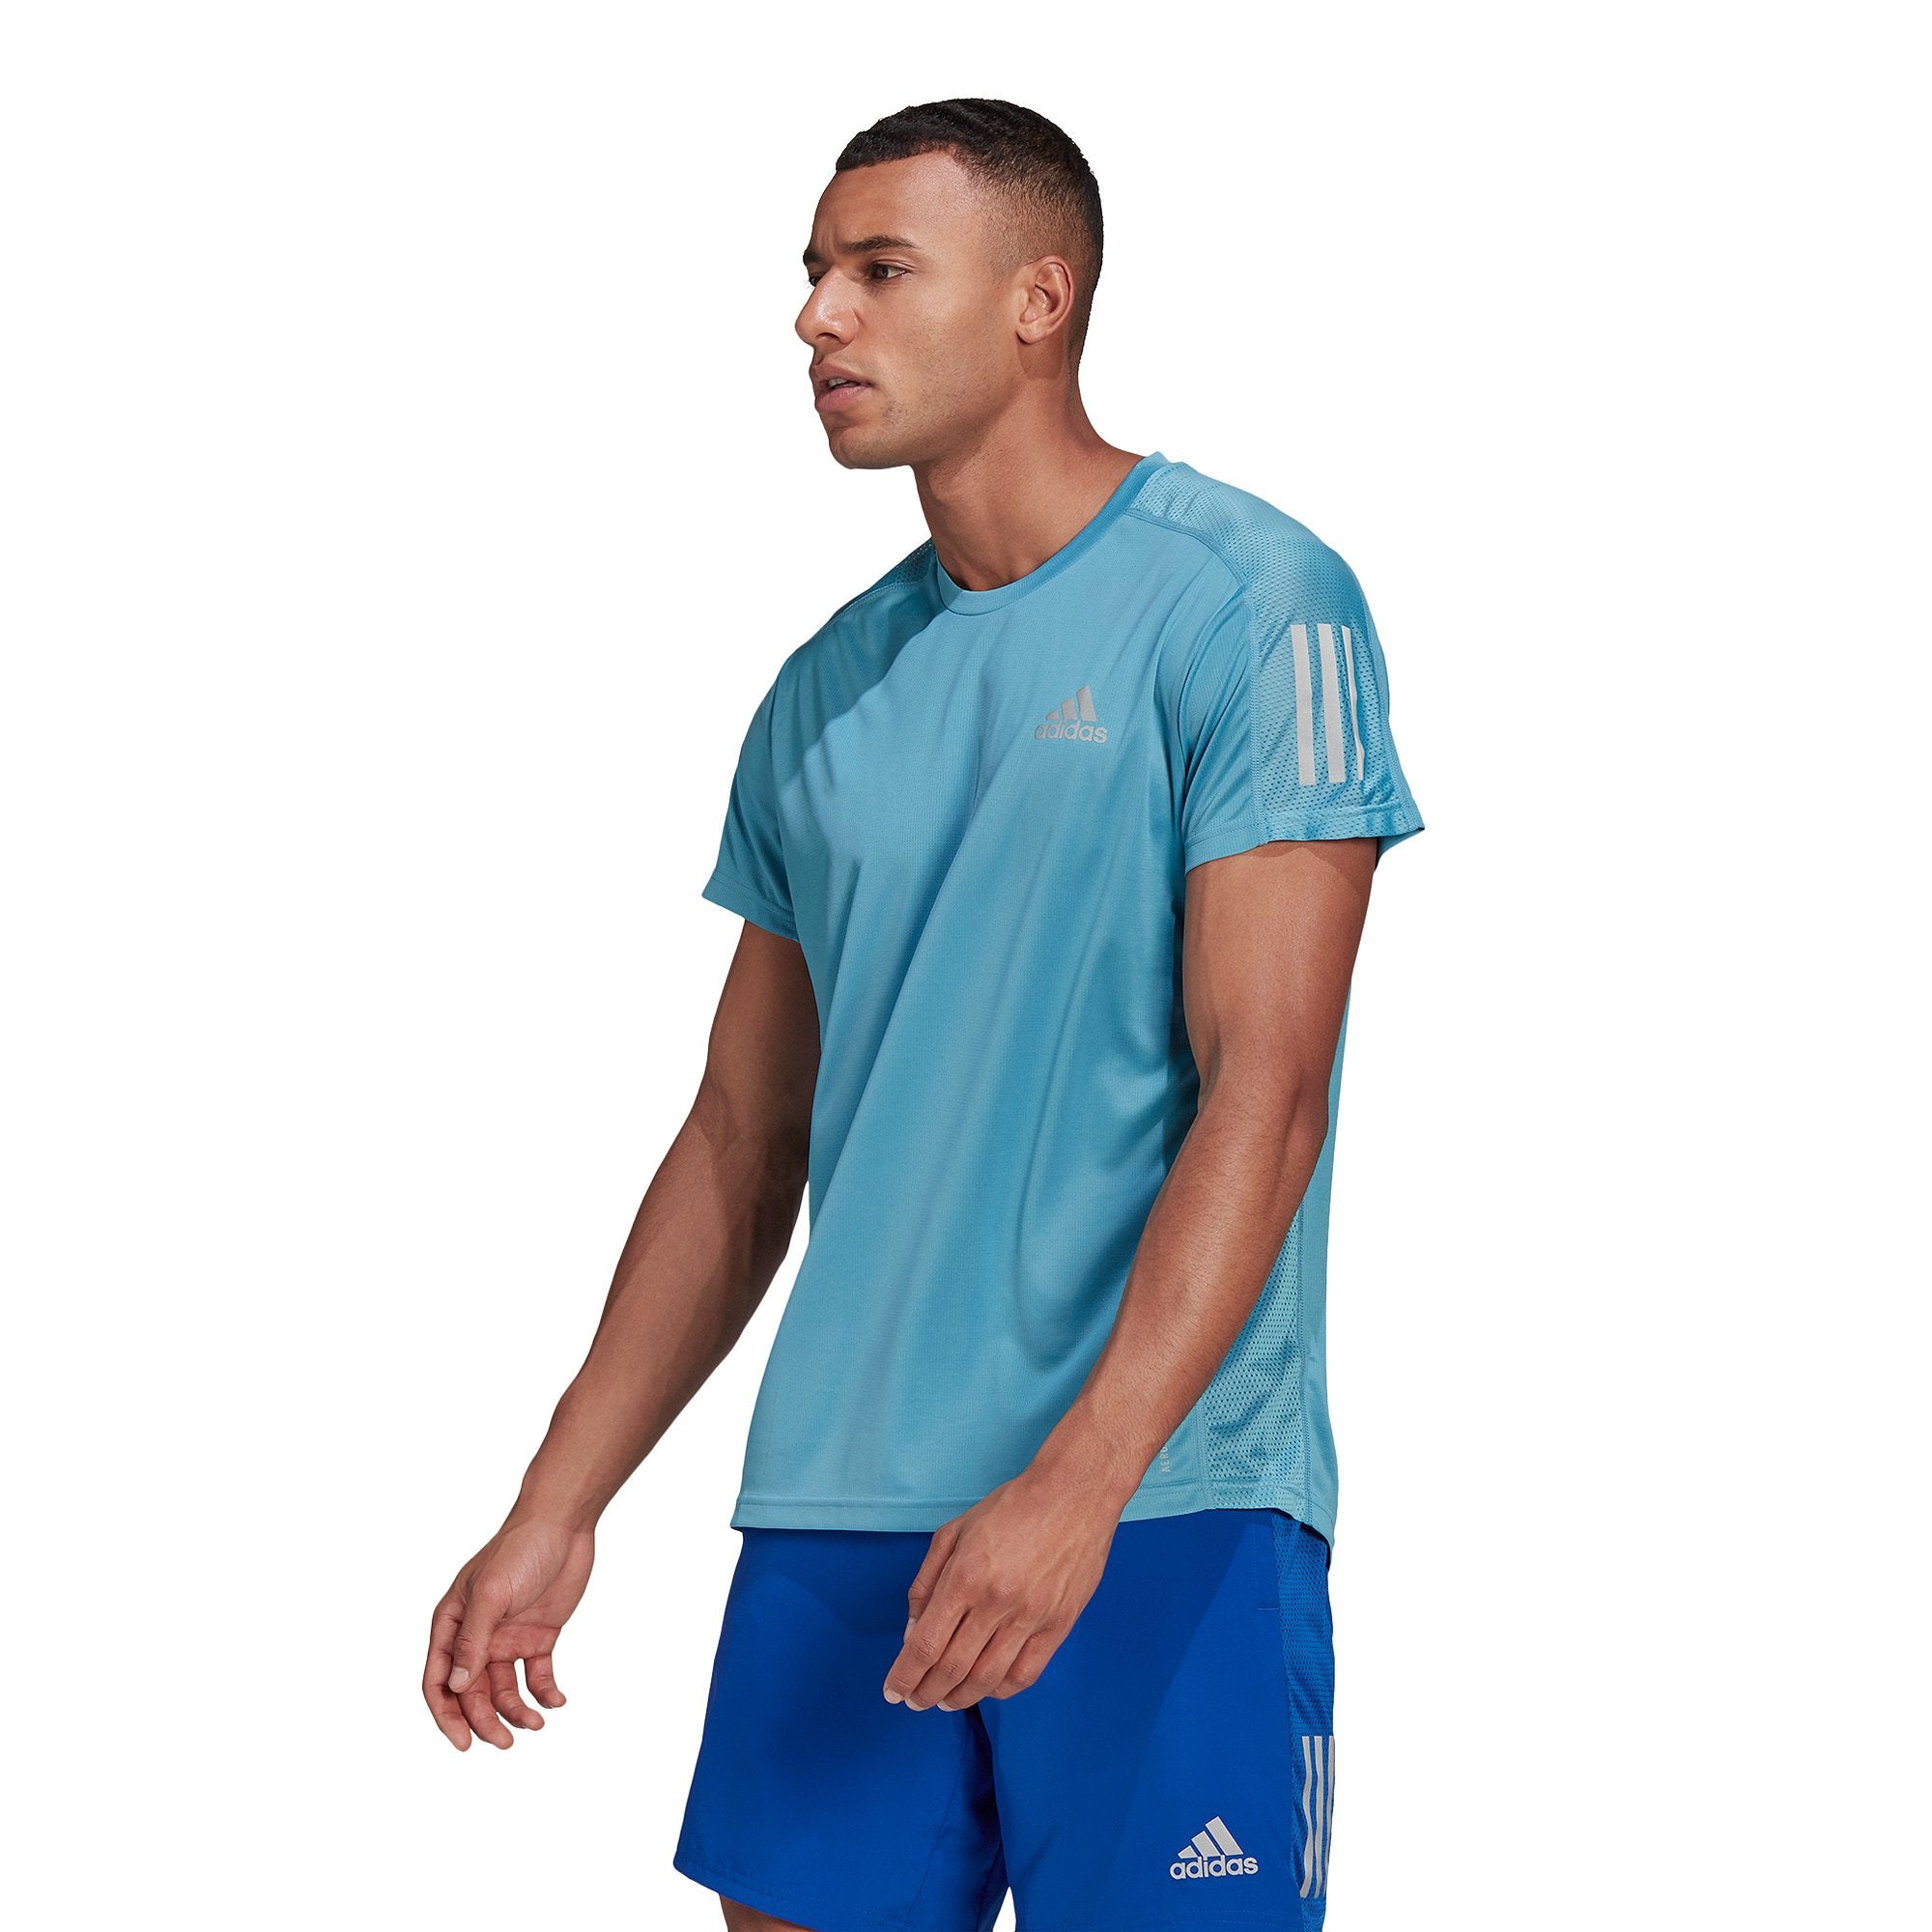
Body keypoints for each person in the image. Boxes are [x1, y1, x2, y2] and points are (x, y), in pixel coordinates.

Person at [422, 97, 1424, 1932]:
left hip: (1161, 1503)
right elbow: (741, 1143)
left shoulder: (1254, 607)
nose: (819, 315)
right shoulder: (823, 692)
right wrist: (558, 1502)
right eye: (815, 273)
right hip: (837, 1508)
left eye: (881, 270)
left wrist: (1080, 1485)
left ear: (1043, 298)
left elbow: (1265, 1095)